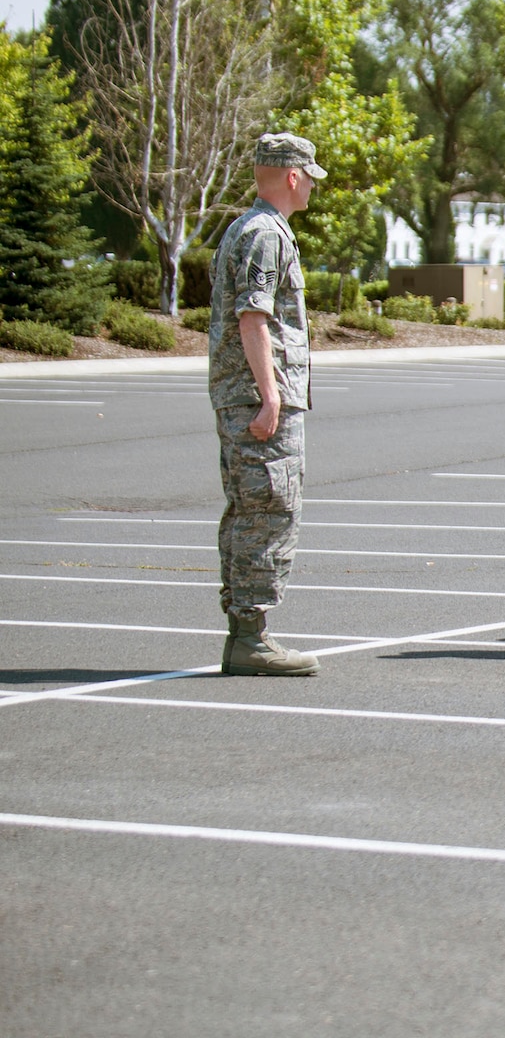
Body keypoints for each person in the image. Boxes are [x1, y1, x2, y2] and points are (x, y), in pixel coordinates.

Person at [209, 132, 328, 677]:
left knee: (249, 511)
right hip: (258, 401)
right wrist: (271, 395)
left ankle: (245, 633)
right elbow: (253, 317)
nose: (312, 188)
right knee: (268, 511)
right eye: (310, 177)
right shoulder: (264, 234)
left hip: (244, 397)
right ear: (293, 176)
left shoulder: (248, 228)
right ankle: (251, 640)